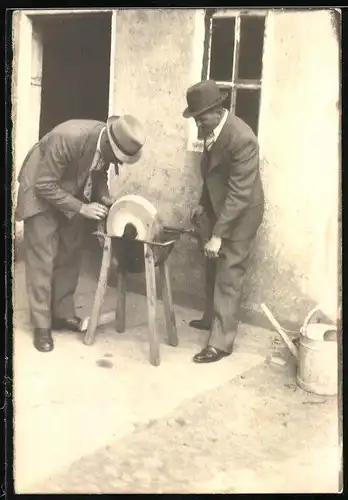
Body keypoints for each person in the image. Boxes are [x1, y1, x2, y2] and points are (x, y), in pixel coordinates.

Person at [15, 114, 146, 353]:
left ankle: (62, 314)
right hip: (39, 187)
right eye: (118, 157)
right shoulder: (68, 138)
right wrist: (82, 207)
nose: (119, 162)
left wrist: (104, 197)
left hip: (67, 188)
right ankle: (42, 325)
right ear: (108, 143)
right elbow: (45, 185)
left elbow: (99, 173)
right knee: (43, 257)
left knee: (71, 250)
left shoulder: (107, 143)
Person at [183, 80, 265, 364]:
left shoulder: (242, 138)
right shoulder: (211, 131)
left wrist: (219, 234)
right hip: (221, 207)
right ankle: (211, 318)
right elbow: (212, 176)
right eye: (194, 119)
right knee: (211, 263)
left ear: (217, 110)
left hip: (241, 212)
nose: (197, 124)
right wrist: (202, 205)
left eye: (200, 118)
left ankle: (221, 342)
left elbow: (240, 193)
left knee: (229, 271)